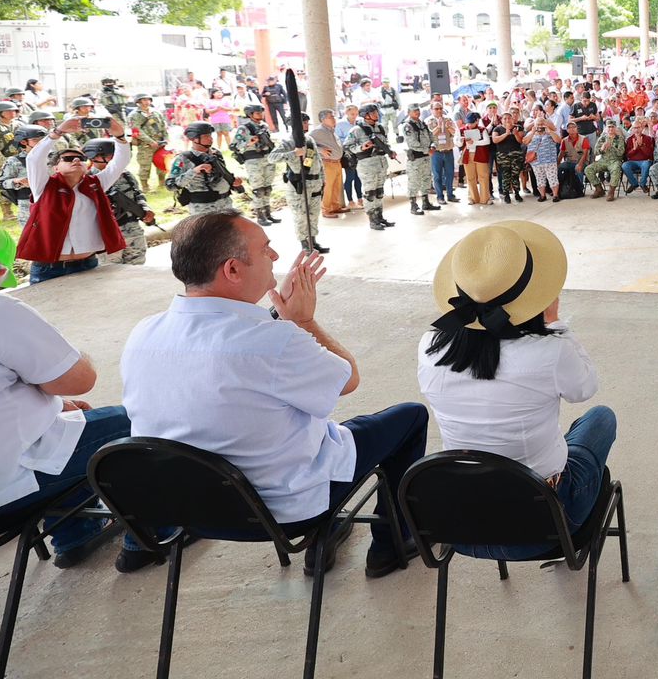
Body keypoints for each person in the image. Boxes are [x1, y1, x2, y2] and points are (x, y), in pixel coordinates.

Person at [118, 211, 427, 577]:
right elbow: (347, 379)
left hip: (188, 508)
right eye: (267, 250)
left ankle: (332, 529)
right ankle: (391, 545)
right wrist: (304, 322)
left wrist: (283, 324)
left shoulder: (144, 332)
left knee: (303, 422)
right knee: (410, 416)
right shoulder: (273, 342)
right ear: (232, 270)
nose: (276, 258)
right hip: (283, 511)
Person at [417, 222, 617, 557]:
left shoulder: (429, 347)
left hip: (462, 524)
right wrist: (556, 324)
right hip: (545, 524)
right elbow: (585, 388)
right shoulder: (548, 350)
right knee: (600, 418)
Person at [0, 276, 129, 567]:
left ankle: (78, 532)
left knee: (70, 427)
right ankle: (157, 529)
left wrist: (54, 406)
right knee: (141, 422)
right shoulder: (2, 312)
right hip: (11, 486)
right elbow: (79, 378)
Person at [19, 117, 130, 284]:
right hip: (49, 269)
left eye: (81, 158)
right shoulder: (44, 186)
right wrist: (57, 133)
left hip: (88, 264)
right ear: (55, 167)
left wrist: (119, 137)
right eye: (69, 159)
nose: (77, 160)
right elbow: (34, 159)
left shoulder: (96, 184)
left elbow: (119, 162)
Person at [83, 138, 154, 266]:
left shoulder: (126, 174)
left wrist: (145, 208)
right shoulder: (88, 180)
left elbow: (137, 193)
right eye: (112, 155)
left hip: (133, 232)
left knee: (137, 270)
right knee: (111, 273)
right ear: (95, 157)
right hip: (108, 236)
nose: (116, 158)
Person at [270, 112, 332, 255]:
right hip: (300, 186)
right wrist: (293, 153)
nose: (306, 124)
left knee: (313, 215)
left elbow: (318, 161)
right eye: (303, 122)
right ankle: (305, 244)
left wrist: (323, 179)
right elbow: (272, 157)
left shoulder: (309, 139)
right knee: (301, 216)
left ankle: (313, 242)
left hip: (315, 183)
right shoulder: (288, 142)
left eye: (306, 121)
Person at [346, 104, 400, 230]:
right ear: (366, 115)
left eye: (376, 112)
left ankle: (379, 216)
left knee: (379, 192)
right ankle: (372, 220)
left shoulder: (380, 128)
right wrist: (361, 147)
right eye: (373, 112)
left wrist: (390, 151)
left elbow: (385, 144)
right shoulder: (357, 130)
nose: (377, 114)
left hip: (381, 163)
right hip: (367, 164)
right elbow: (347, 147)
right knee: (370, 193)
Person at [232, 104, 280, 228]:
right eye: (257, 113)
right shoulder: (244, 128)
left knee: (267, 187)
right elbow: (234, 146)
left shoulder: (264, 126)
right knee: (258, 189)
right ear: (250, 114)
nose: (260, 115)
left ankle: (268, 212)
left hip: (267, 158)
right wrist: (249, 142)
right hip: (253, 160)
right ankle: (260, 215)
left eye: (261, 112)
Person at [399, 105, 441, 215]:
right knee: (414, 182)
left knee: (426, 180)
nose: (417, 112)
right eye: (414, 111)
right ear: (409, 112)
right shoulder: (407, 126)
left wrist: (433, 146)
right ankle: (413, 205)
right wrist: (427, 150)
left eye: (418, 110)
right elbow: (412, 143)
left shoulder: (422, 124)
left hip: (426, 158)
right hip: (415, 159)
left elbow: (432, 136)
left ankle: (425, 202)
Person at [127, 94, 169, 191]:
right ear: (138, 102)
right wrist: (150, 141)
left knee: (161, 164)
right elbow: (136, 131)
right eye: (143, 100)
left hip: (160, 143)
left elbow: (163, 126)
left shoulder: (156, 112)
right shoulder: (134, 115)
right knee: (145, 166)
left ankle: (162, 183)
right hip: (145, 145)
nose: (146, 102)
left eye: (148, 99)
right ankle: (145, 187)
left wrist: (166, 138)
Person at [424, 101, 458, 205]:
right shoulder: (428, 121)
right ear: (431, 110)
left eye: (440, 108)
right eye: (436, 109)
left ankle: (450, 195)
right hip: (436, 152)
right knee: (437, 175)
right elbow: (429, 135)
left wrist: (448, 127)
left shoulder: (448, 119)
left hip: (448, 150)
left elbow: (454, 132)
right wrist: (438, 127)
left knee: (450, 174)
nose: (439, 110)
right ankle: (440, 196)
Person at [588, 120, 627, 200]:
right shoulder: (602, 138)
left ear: (615, 128)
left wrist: (611, 147)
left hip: (615, 161)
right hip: (603, 160)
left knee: (616, 169)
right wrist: (602, 149)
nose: (611, 129)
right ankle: (599, 189)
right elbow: (595, 152)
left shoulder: (619, 139)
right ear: (606, 128)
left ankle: (611, 192)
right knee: (588, 169)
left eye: (613, 127)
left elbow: (621, 153)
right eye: (609, 127)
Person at [525, 118, 561, 201]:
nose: (540, 126)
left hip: (550, 160)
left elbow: (558, 140)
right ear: (535, 125)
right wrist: (533, 132)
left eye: (542, 124)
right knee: (539, 178)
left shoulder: (550, 133)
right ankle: (542, 195)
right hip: (536, 161)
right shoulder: (531, 133)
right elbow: (525, 142)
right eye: (538, 124)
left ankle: (555, 195)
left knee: (553, 178)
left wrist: (550, 132)